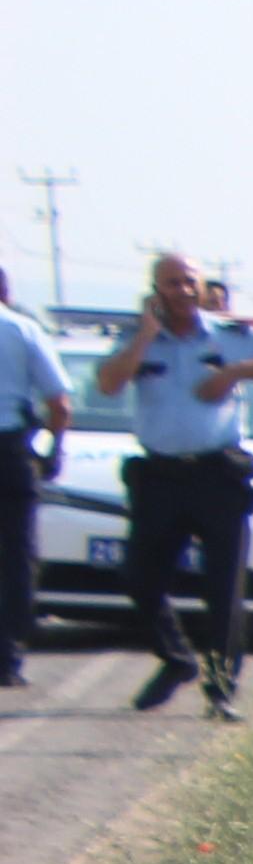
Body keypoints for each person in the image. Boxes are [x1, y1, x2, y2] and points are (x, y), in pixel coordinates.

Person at [91, 254, 253, 715]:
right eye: (172, 283)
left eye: (189, 282)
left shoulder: (227, 336)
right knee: (139, 577)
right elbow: (108, 384)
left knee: (223, 587)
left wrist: (234, 372)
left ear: (201, 285)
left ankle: (221, 689)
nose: (183, 291)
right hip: (160, 477)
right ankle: (176, 659)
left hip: (217, 476)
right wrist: (146, 336)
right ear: (156, 290)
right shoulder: (137, 338)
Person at [0, 266, 69, 690]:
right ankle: (8, 657)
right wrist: (53, 449)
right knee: (16, 557)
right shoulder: (23, 330)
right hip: (10, 453)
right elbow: (59, 403)